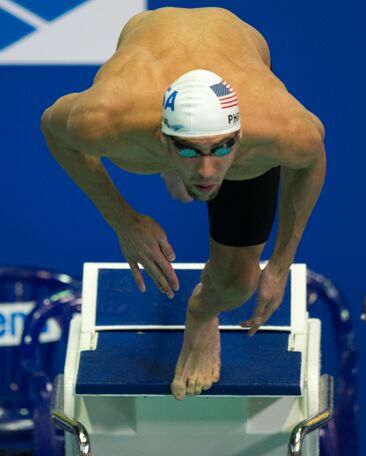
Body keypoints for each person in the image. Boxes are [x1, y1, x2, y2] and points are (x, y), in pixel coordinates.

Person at [41, 7, 326, 400]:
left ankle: (201, 313)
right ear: (162, 138)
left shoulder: (279, 128)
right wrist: (123, 221)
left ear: (239, 136)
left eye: (221, 149)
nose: (208, 171)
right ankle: (178, 167)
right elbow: (53, 130)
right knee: (192, 176)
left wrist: (280, 264)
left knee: (236, 285)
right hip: (147, 54)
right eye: (190, 151)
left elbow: (312, 163)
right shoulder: (104, 118)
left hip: (240, 45)